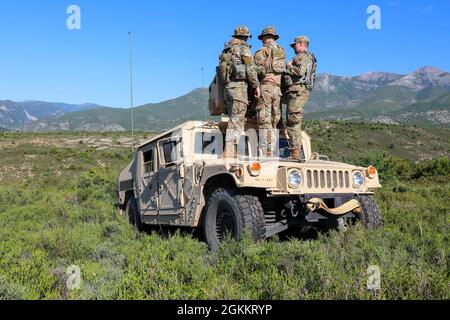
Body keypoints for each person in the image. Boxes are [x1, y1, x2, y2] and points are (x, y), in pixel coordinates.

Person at [219, 26, 260, 158]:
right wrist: (256, 85)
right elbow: (250, 68)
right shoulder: (243, 48)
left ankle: (231, 150)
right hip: (239, 88)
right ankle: (230, 151)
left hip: (228, 88)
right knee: (236, 120)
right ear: (246, 36)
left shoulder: (227, 49)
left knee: (233, 118)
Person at [253, 26, 286, 157]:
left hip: (266, 87)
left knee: (263, 119)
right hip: (277, 90)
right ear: (274, 38)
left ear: (264, 39)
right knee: (274, 119)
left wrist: (256, 85)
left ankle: (266, 151)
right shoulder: (281, 51)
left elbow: (255, 70)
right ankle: (272, 149)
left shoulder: (260, 52)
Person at [283, 36, 317, 160]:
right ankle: (295, 151)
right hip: (296, 91)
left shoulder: (303, 56)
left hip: (297, 91)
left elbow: (300, 71)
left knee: (293, 121)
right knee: (291, 120)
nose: (293, 48)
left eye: (295, 45)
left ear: (302, 44)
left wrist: (287, 66)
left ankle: (295, 152)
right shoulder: (308, 56)